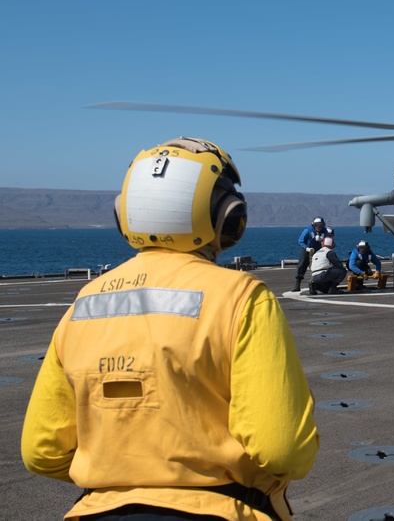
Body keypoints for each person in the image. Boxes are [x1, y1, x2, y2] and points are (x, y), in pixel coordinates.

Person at [21, 137, 319, 520]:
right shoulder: (242, 298)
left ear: (124, 214)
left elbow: (40, 452)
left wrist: (118, 480)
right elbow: (283, 449)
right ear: (228, 218)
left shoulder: (84, 305)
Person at [294, 216, 333, 292]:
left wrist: (323, 241)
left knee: (318, 265)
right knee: (302, 264)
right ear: (313, 225)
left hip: (318, 250)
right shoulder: (307, 230)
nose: (319, 227)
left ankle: (316, 283)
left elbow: (328, 241)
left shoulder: (324, 232)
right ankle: (297, 283)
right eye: (317, 225)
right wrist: (307, 248)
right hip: (306, 249)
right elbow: (300, 241)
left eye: (321, 225)